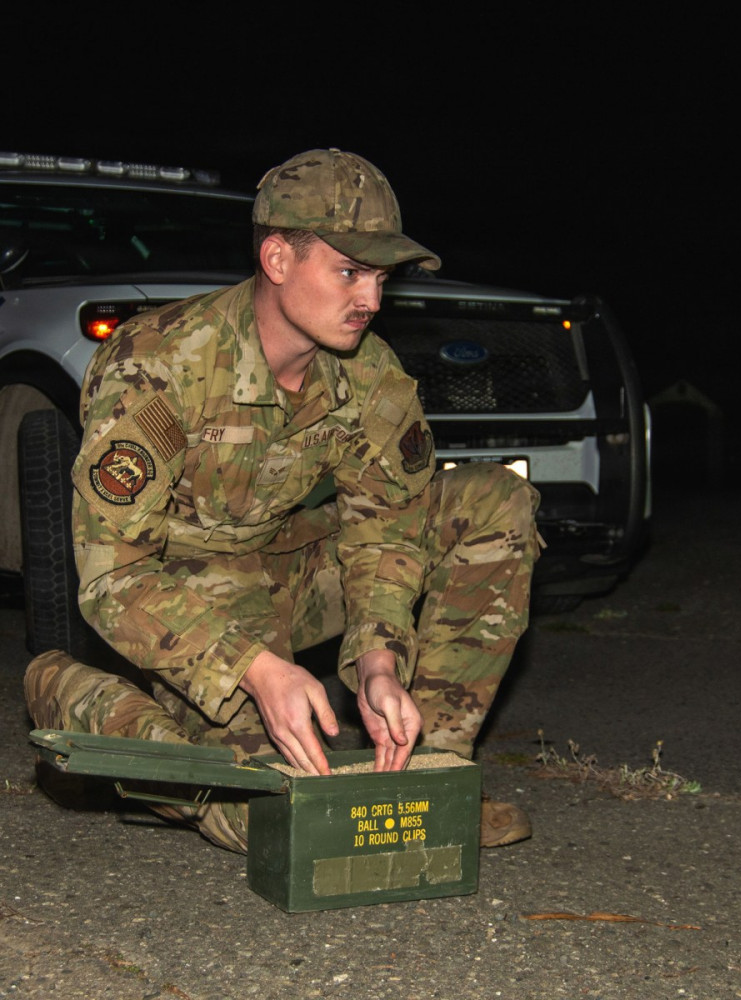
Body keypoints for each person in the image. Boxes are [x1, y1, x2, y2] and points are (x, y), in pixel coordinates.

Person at [24, 148, 540, 851]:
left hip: (292, 570)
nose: (371, 300)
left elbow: (387, 530)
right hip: (185, 600)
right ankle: (78, 694)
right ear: (276, 259)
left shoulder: (370, 374)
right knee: (271, 820)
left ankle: (429, 780)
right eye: (350, 272)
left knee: (494, 501)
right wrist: (258, 670)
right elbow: (113, 576)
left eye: (381, 278)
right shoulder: (160, 365)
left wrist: (380, 660)